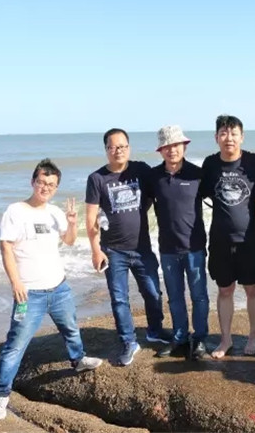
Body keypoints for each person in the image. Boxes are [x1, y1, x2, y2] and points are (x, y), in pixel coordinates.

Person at [0, 159, 102, 421]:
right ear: (33, 182)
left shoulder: (55, 213)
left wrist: (72, 223)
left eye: (51, 184)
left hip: (59, 287)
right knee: (15, 346)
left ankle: (78, 360)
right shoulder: (16, 211)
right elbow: (5, 248)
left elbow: (69, 241)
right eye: (41, 182)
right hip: (29, 293)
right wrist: (16, 282)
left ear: (56, 187)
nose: (45, 188)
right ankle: (0, 396)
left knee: (71, 328)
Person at [85, 128, 170, 367]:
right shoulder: (97, 178)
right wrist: (95, 250)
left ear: (129, 148)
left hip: (142, 247)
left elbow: (160, 186)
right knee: (119, 299)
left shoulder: (141, 170)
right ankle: (128, 341)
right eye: (113, 147)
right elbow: (90, 218)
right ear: (106, 150)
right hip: (113, 251)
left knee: (153, 292)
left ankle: (155, 330)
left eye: (122, 146)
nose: (118, 151)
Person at [200, 115, 255, 358]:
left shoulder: (254, 162)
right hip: (220, 240)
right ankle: (225, 339)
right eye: (224, 133)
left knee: (252, 289)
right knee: (225, 290)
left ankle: (253, 337)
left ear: (242, 136)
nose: (229, 138)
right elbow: (195, 193)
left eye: (234, 133)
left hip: (249, 239)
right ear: (216, 137)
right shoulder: (210, 164)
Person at [148, 125, 209, 360]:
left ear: (184, 146)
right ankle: (180, 338)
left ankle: (200, 338)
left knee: (199, 296)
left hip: (194, 247)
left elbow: (222, 195)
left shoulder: (197, 174)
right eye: (167, 146)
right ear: (160, 150)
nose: (172, 150)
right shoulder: (153, 176)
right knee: (174, 297)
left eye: (176, 145)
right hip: (167, 248)